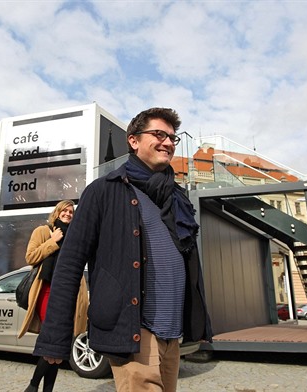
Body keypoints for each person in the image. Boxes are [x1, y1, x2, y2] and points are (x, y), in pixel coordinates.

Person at [33, 107, 213, 391]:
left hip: (172, 333)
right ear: (133, 140)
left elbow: (188, 265)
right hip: (134, 331)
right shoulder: (103, 191)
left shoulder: (177, 196)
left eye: (172, 137)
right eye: (158, 134)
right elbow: (69, 265)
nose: (167, 142)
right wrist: (55, 338)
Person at [19, 200, 88, 392]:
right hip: (47, 290)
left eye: (71, 211)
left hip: (68, 293)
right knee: (52, 340)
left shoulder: (74, 237)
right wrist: (53, 241)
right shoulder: (43, 231)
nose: (67, 214)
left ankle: (45, 389)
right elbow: (30, 257)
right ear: (56, 213)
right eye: (64, 210)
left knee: (58, 345)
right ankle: (33, 386)